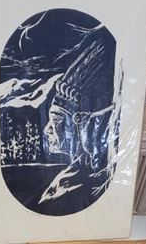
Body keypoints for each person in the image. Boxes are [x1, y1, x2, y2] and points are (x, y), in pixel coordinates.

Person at [39, 33, 120, 205]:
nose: (47, 129)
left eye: (56, 119)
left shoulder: (84, 185)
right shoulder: (70, 175)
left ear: (81, 123)